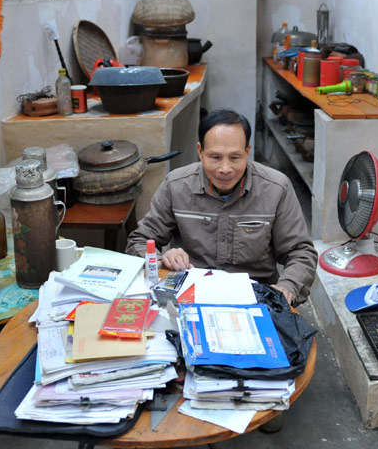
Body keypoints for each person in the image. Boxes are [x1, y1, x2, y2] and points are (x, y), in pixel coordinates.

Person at [125, 108, 317, 306]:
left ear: (248, 151)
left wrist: (287, 288)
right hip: (190, 294)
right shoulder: (176, 185)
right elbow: (140, 240)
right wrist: (160, 261)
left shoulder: (276, 188)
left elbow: (300, 252)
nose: (225, 169)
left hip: (256, 297)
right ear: (200, 151)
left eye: (235, 158)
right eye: (215, 157)